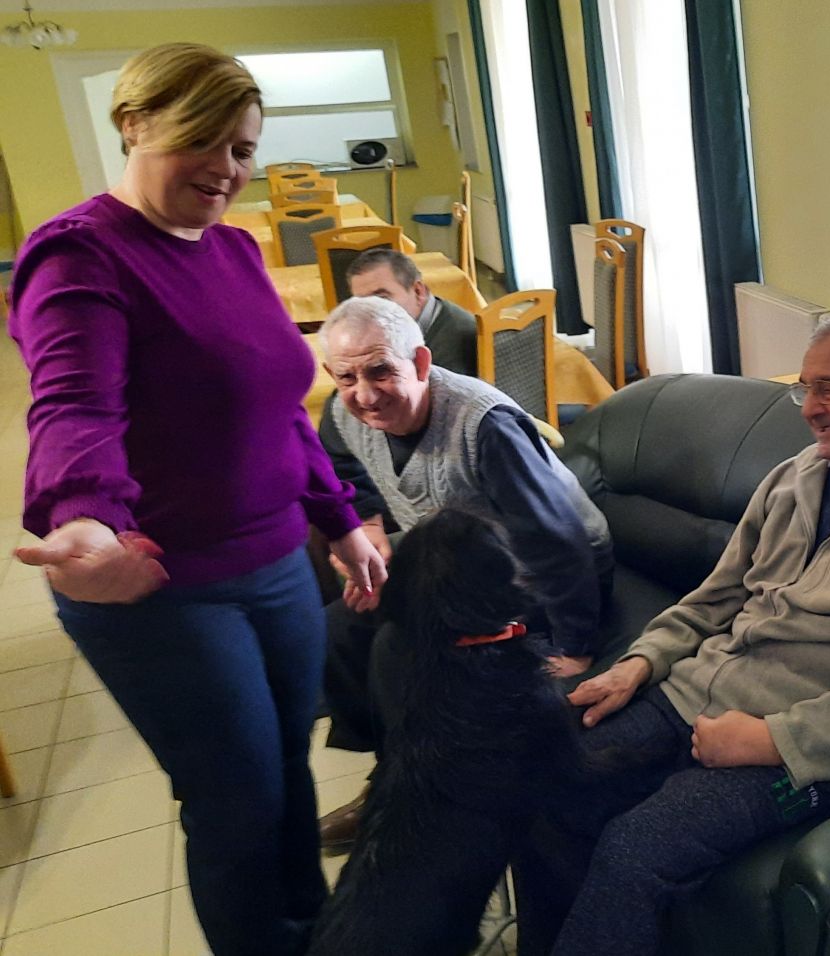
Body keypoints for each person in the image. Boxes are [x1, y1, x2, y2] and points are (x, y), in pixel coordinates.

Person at [7, 42, 386, 956]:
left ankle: (313, 935)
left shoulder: (234, 248)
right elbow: (75, 406)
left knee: (286, 767)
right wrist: (84, 514)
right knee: (235, 803)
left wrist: (338, 522)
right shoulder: (79, 255)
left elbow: (279, 409)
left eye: (242, 148)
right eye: (201, 139)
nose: (225, 167)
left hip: (277, 563)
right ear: (134, 124)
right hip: (164, 587)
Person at [514, 315, 830, 956]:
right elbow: (716, 598)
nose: (811, 408)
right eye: (804, 389)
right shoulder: (793, 478)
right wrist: (640, 663)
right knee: (542, 780)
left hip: (806, 748)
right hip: (695, 692)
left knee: (636, 847)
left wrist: (770, 739)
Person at [313, 295, 612, 847]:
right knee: (335, 631)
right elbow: (341, 463)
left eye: (381, 371)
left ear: (421, 362)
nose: (365, 393)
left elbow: (557, 542)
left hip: (538, 571)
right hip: (455, 559)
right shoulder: (343, 410)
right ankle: (392, 776)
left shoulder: (486, 425)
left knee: (399, 646)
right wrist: (370, 525)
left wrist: (575, 646)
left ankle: (419, 795)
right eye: (348, 377)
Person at [345, 247, 480, 376]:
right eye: (362, 303)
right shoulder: (395, 326)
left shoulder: (455, 345)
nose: (371, 312)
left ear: (418, 292)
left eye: (382, 299)